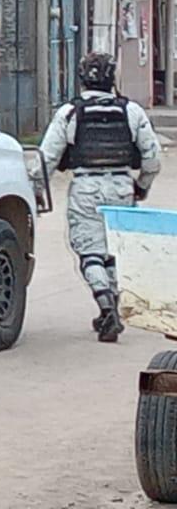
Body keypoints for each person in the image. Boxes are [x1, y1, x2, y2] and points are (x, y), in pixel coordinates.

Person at [39, 50, 162, 342]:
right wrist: (141, 186)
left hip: (85, 187)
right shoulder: (131, 111)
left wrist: (35, 192)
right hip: (121, 185)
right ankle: (112, 306)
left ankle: (105, 303)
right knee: (115, 251)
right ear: (112, 78)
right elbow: (153, 158)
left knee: (90, 252)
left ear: (81, 78)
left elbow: (45, 159)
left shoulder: (69, 112)